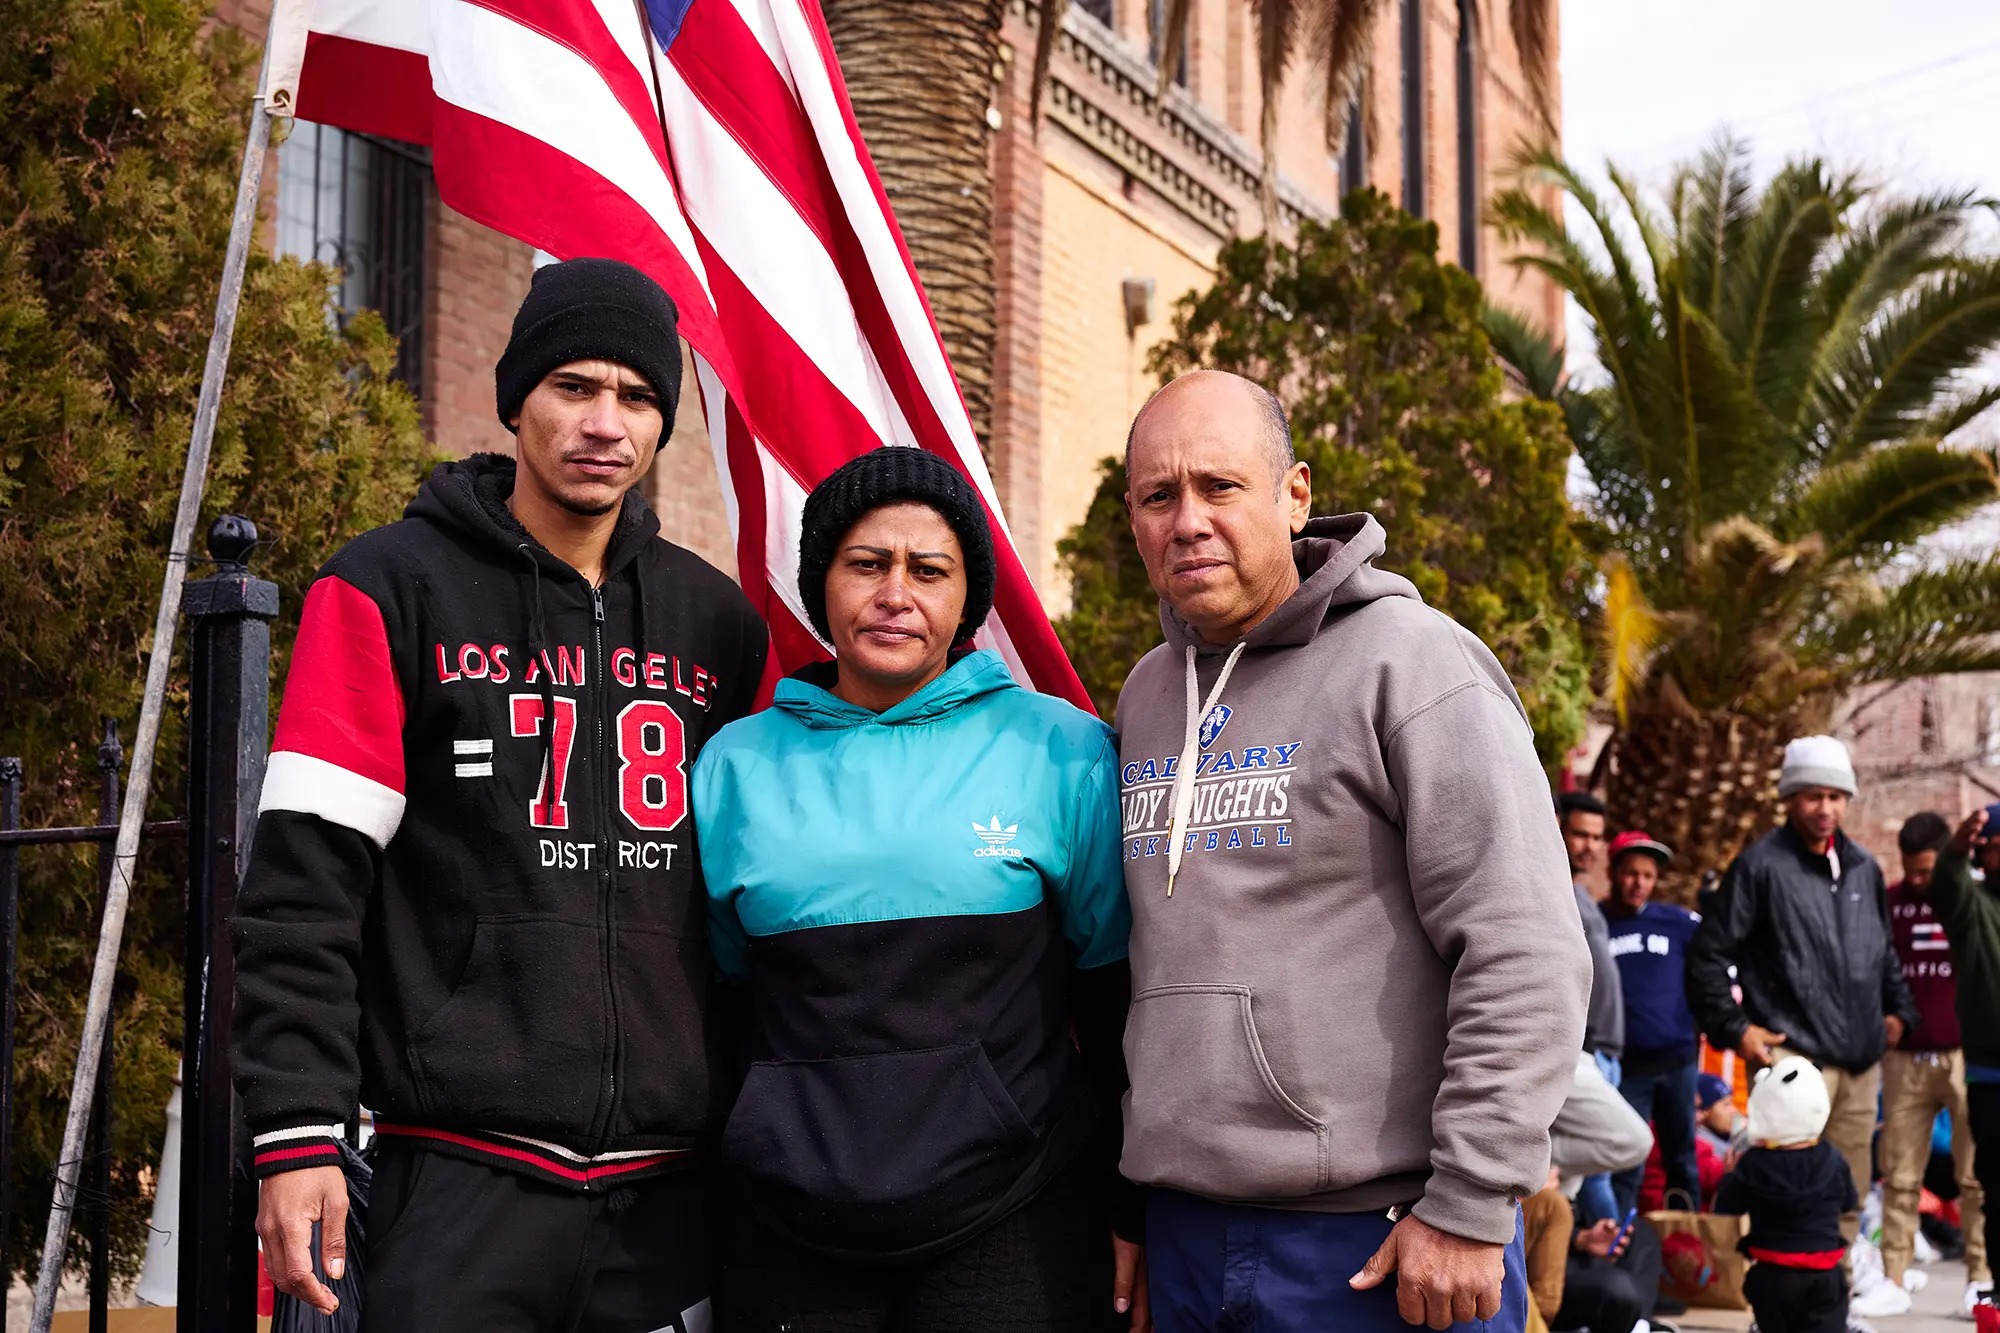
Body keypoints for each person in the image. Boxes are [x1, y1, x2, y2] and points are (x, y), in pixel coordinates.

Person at [231, 259, 770, 1331]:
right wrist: (297, 1131)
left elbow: (756, 909)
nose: (604, 421)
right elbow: (304, 889)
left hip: (670, 1204)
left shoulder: (720, 627)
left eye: (636, 396)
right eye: (574, 386)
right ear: (516, 395)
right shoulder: (386, 587)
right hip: (456, 1181)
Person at [1113, 370, 1590, 1332]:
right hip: (1187, 1236)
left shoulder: (1415, 663)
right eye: (1159, 496)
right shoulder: (1147, 695)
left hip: (1379, 1243)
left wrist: (1468, 1202)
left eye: (1220, 486)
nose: (1189, 520)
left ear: (1295, 495)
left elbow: (1525, 946)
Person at [691, 448, 1144, 1331]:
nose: (895, 592)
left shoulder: (1062, 750)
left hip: (1015, 1216)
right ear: (821, 582)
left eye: (928, 570)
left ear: (966, 599)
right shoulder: (732, 768)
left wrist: (1130, 1203)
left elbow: (1118, 999)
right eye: (866, 563)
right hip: (787, 1225)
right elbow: (720, 999)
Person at [1687, 734, 1918, 1248]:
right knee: (1781, 1190)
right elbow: (1707, 955)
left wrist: (1898, 1010)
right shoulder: (1760, 867)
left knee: (1848, 1191)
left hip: (1859, 1062)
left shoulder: (1863, 867)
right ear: (1789, 799)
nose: (1825, 808)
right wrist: (1736, 1029)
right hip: (1790, 1057)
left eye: (1836, 797)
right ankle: (1771, 1309)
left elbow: (1882, 951)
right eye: (1813, 796)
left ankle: (1836, 1303)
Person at [1880, 810, 1990, 1310]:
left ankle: (1980, 1278)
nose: (1919, 881)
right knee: (1901, 1175)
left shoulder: (1972, 899)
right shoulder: (1890, 904)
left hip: (1968, 1054)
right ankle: (1894, 1279)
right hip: (1905, 1058)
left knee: (1975, 1177)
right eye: (1911, 871)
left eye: (1927, 870)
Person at [1713, 1056, 1858, 1333]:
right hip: (1824, 1272)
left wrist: (1730, 1175)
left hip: (1771, 1273)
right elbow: (1849, 1202)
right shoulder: (1832, 1158)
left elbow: (1726, 1207)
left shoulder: (1753, 1163)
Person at [1602, 832, 1703, 1212]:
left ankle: (1687, 1243)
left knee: (1683, 1159)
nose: (1638, 883)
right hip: (1627, 1068)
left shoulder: (1677, 922)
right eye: (1630, 873)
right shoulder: (1597, 923)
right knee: (1626, 1162)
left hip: (1678, 1063)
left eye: (1647, 875)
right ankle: (1622, 1244)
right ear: (1613, 872)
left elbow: (1712, 966)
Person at [1931, 805, 2000, 1314]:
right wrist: (1956, 848)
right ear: (1985, 852)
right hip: (1990, 1072)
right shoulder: (1972, 908)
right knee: (1995, 1184)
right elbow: (1946, 886)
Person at [1560, 792, 1626, 1225]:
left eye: (1598, 838)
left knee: (1597, 1176)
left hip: (1607, 1052)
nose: (1590, 846)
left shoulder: (1584, 896)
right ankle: (1611, 1266)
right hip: (1579, 1052)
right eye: (1580, 834)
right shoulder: (1550, 887)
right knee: (1600, 1171)